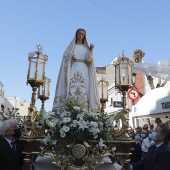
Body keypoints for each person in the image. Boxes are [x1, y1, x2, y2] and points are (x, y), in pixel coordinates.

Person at [53, 28, 100, 112]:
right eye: (79, 34)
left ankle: (83, 110)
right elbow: (65, 58)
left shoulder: (86, 48)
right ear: (76, 34)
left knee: (83, 88)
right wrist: (70, 59)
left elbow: (88, 60)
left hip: (83, 69)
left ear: (84, 36)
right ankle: (70, 108)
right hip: (73, 68)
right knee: (72, 86)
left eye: (82, 34)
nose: (81, 36)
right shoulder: (71, 47)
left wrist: (90, 50)